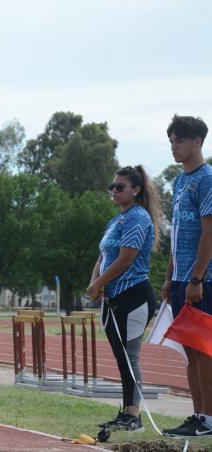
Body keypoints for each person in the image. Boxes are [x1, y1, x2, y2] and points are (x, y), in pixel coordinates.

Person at [85, 165, 162, 432]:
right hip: (112, 297)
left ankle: (134, 416)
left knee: (130, 356)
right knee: (121, 358)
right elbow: (103, 255)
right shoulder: (116, 220)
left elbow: (126, 258)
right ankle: (126, 411)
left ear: (136, 190)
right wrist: (94, 283)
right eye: (112, 187)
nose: (114, 191)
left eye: (120, 187)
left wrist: (98, 283)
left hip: (134, 296)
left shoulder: (138, 218)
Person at [160, 115, 212, 438]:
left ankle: (209, 418)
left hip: (202, 281)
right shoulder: (180, 181)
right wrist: (170, 278)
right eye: (171, 142)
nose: (174, 148)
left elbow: (209, 233)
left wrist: (196, 279)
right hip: (181, 280)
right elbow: (176, 236)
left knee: (204, 348)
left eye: (179, 141)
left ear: (197, 142)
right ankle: (197, 415)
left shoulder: (207, 179)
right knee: (190, 350)